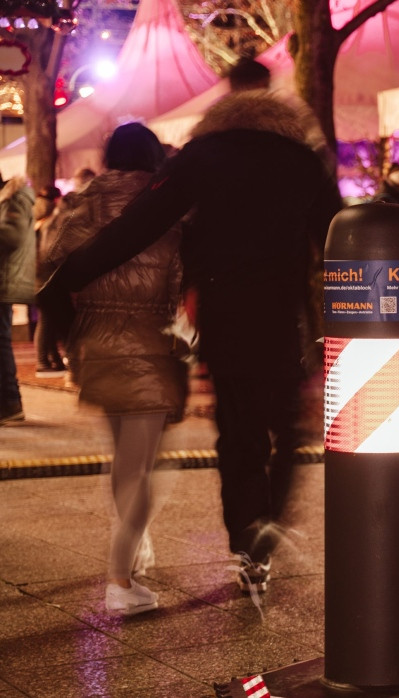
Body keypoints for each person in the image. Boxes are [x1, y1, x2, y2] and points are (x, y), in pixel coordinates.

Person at [39, 70, 341, 597]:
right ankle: (268, 523)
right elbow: (338, 234)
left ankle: (249, 541)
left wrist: (66, 279)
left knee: (239, 429)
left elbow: (137, 225)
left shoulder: (203, 156)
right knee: (289, 429)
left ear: (228, 99)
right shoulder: (302, 161)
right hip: (284, 316)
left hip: (225, 316)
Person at [42, 124, 188, 615]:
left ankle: (130, 555)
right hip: (147, 346)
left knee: (122, 461)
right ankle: (120, 579)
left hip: (95, 345)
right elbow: (177, 284)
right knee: (139, 469)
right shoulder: (164, 207)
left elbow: (53, 261)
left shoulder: (83, 201)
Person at [0, 168, 34, 424]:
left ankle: (10, 404)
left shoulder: (14, 198)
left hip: (4, 281)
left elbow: (11, 235)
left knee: (1, 341)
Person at [32, 186, 66, 377]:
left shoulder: (33, 224)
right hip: (44, 280)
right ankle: (42, 362)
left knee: (49, 320)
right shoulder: (46, 226)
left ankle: (54, 360)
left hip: (36, 280)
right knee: (46, 321)